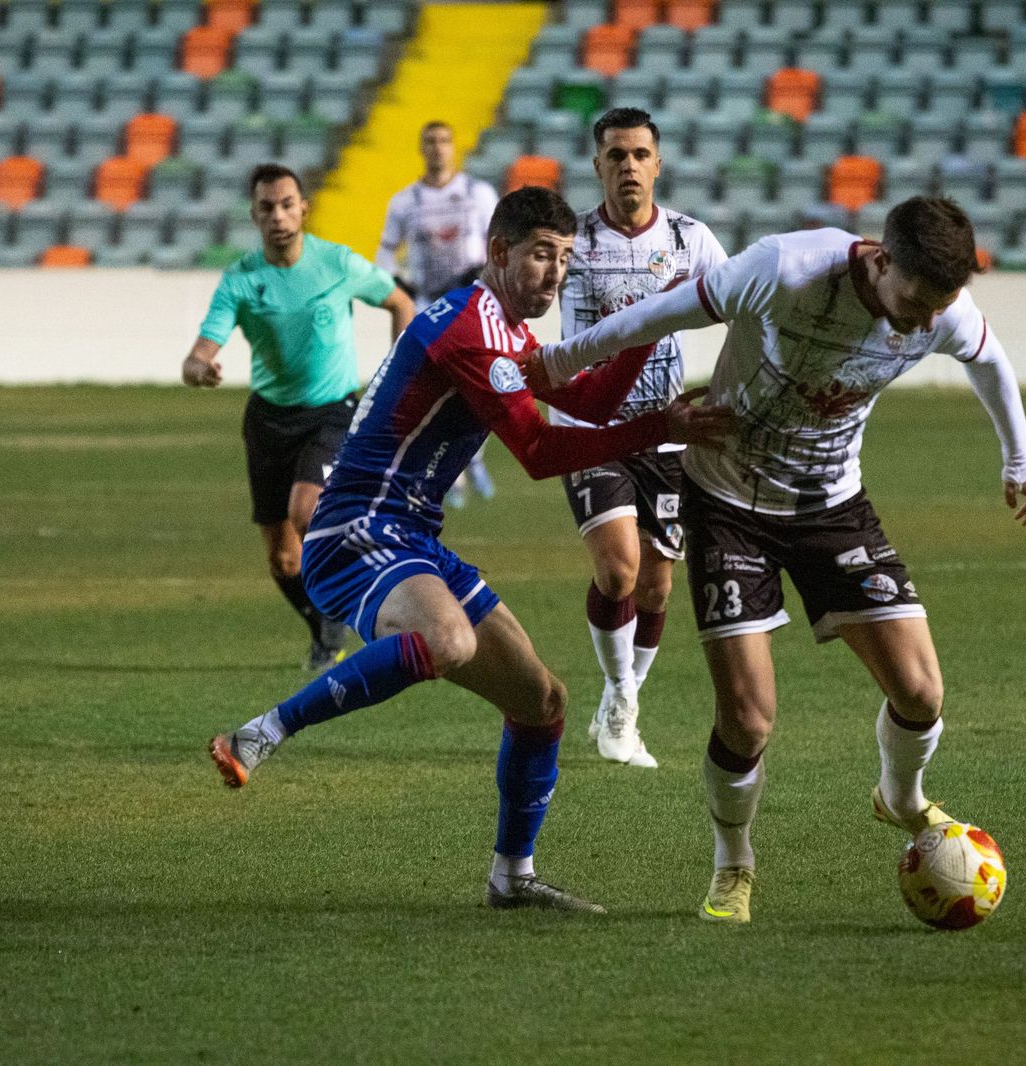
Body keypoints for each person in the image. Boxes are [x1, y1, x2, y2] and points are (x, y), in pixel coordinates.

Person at [208, 186, 734, 913]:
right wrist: (658, 428)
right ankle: (262, 732)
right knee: (448, 639)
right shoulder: (470, 329)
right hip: (355, 530)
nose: (555, 274)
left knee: (543, 702)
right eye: (541, 257)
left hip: (411, 535)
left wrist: (651, 320)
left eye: (565, 259)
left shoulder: (505, 332)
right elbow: (542, 449)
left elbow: (591, 400)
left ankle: (510, 878)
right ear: (497, 253)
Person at [532, 196, 1026, 924]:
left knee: (922, 692)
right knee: (748, 720)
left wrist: (1020, 456)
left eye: (942, 305)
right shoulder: (786, 268)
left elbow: (989, 358)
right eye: (916, 301)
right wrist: (562, 359)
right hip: (727, 503)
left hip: (831, 506)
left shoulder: (941, 310)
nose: (927, 321)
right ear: (880, 260)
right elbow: (664, 313)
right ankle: (733, 863)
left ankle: (899, 797)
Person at [183, 163, 414, 672]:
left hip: (331, 411)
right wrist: (198, 366)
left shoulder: (336, 263)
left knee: (307, 510)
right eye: (267, 207)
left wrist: (395, 377)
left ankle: (373, 603)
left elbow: (401, 304)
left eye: (287, 204)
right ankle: (323, 628)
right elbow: (203, 348)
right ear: (254, 215)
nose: (279, 215)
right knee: (283, 559)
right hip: (267, 420)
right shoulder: (242, 279)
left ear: (304, 208)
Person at [552, 107, 728, 769]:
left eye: (639, 155)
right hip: (591, 430)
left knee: (655, 588)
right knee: (618, 569)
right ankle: (623, 703)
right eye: (615, 155)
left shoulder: (691, 240)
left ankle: (618, 703)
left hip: (665, 434)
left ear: (658, 163)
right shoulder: (571, 241)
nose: (628, 166)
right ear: (597, 165)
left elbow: (740, 305)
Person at [376, 121, 501, 507]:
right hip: (429, 304)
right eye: (430, 140)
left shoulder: (477, 194)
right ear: (421, 147)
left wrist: (481, 275)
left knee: (480, 383)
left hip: (472, 301)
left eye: (444, 140)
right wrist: (403, 286)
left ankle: (473, 458)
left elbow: (500, 245)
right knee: (432, 387)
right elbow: (383, 256)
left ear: (454, 147)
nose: (438, 148)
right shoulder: (404, 202)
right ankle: (449, 471)